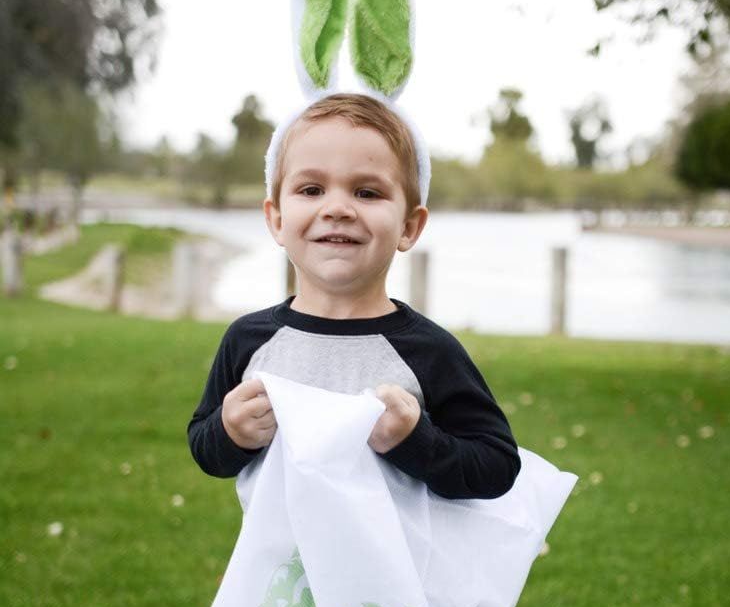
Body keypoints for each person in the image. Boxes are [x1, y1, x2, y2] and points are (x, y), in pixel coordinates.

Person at [187, 91, 521, 502]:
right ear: (276, 219)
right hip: (281, 565)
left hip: (396, 566)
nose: (338, 208)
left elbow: (497, 466)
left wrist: (415, 441)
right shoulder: (248, 340)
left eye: (367, 193)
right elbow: (205, 446)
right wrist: (230, 432)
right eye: (311, 189)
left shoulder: (428, 352)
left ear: (409, 227)